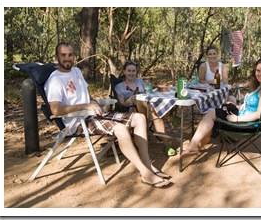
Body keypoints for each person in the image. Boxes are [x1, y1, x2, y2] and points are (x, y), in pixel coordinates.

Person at [44, 42, 172, 188]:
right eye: (63, 55)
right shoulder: (55, 80)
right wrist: (85, 106)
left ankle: (148, 165)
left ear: (74, 56)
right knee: (120, 129)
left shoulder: (77, 71)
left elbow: (87, 96)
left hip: (93, 115)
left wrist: (93, 102)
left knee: (140, 118)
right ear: (57, 57)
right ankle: (145, 173)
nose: (67, 58)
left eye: (70, 54)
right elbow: (55, 110)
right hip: (78, 122)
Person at [181, 57, 261, 158]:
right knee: (213, 113)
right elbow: (250, 106)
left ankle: (194, 146)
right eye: (258, 70)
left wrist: (236, 119)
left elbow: (258, 114)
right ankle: (196, 146)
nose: (259, 74)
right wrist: (236, 106)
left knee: (212, 114)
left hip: (246, 125)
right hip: (242, 118)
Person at [114, 61, 177, 156]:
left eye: (133, 71)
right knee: (141, 100)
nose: (131, 73)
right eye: (129, 71)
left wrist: (156, 89)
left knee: (153, 112)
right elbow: (122, 104)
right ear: (124, 72)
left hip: (148, 107)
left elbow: (149, 92)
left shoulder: (139, 81)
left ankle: (167, 145)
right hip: (132, 110)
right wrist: (130, 100)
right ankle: (169, 117)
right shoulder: (119, 87)